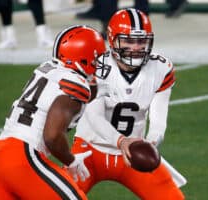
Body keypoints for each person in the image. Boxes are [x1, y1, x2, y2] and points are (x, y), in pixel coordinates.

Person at [0, 25, 106, 200]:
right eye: (96, 57)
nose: (99, 63)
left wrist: (92, 82)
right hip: (20, 157)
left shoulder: (47, 69)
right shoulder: (75, 86)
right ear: (84, 57)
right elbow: (52, 137)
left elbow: (78, 96)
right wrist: (71, 160)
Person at [70, 8, 186, 199]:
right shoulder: (97, 65)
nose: (136, 47)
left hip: (133, 154)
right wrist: (121, 141)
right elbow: (94, 117)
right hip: (89, 150)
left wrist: (151, 143)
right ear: (112, 40)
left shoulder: (160, 68)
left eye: (141, 41)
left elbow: (158, 120)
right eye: (129, 40)